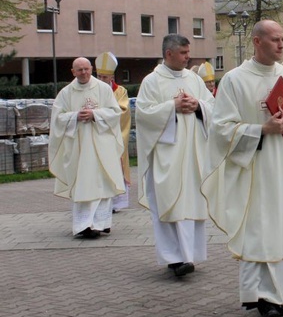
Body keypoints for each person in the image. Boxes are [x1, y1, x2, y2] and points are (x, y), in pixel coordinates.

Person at [201, 20, 283, 317]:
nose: (281, 44)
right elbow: (222, 129)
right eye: (275, 39)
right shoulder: (235, 81)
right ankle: (263, 299)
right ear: (256, 42)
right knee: (260, 230)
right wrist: (261, 129)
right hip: (253, 171)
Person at [136, 34, 214, 277]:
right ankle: (174, 258)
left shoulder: (193, 78)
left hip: (193, 153)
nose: (187, 56)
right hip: (167, 153)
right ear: (169, 54)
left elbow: (213, 106)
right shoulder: (151, 81)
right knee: (169, 202)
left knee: (192, 201)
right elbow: (143, 114)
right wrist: (172, 106)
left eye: (187, 52)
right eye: (183, 53)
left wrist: (198, 106)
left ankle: (190, 255)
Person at [49, 57, 125, 239]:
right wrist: (75, 116)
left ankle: (102, 223)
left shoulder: (103, 89)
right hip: (79, 147)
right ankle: (83, 225)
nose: (83, 73)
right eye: (79, 70)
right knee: (83, 183)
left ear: (91, 69)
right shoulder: (66, 93)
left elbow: (115, 113)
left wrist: (95, 114)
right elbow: (57, 118)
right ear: (73, 71)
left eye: (86, 69)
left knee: (102, 182)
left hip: (102, 144)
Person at [95, 51, 131, 213]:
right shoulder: (91, 90)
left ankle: (115, 202)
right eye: (99, 76)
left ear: (112, 77)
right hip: (96, 135)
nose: (101, 80)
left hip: (113, 135)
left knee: (115, 166)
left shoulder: (120, 91)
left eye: (105, 77)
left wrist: (101, 114)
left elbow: (122, 111)